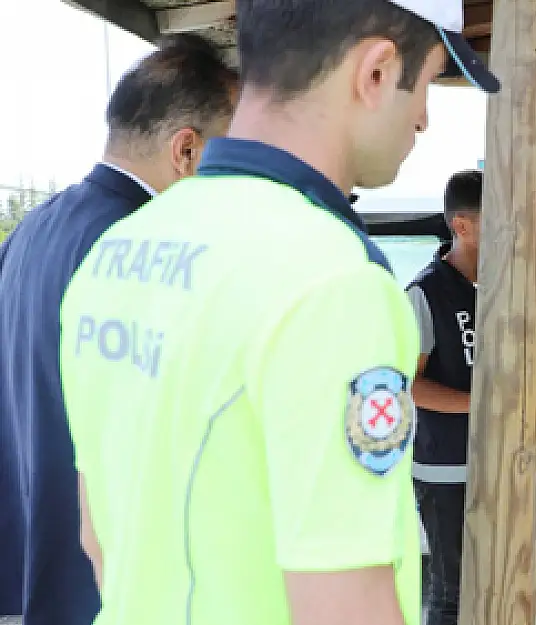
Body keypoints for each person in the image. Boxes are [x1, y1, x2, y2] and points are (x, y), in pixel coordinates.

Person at [55, 2, 499, 624]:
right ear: (376, 71)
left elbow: (100, 540)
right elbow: (345, 605)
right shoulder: (333, 277)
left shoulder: (118, 249)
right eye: (426, 85)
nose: (424, 118)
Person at [0, 34, 238, 625]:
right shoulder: (147, 251)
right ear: (187, 151)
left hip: (26, 561)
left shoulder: (31, 231)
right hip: (106, 584)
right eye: (234, 157)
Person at [405, 169, 483, 625]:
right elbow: (408, 383)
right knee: (451, 591)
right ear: (462, 226)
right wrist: (481, 405)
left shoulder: (504, 286)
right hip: (445, 468)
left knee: (496, 580)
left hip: (501, 464)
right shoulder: (426, 292)